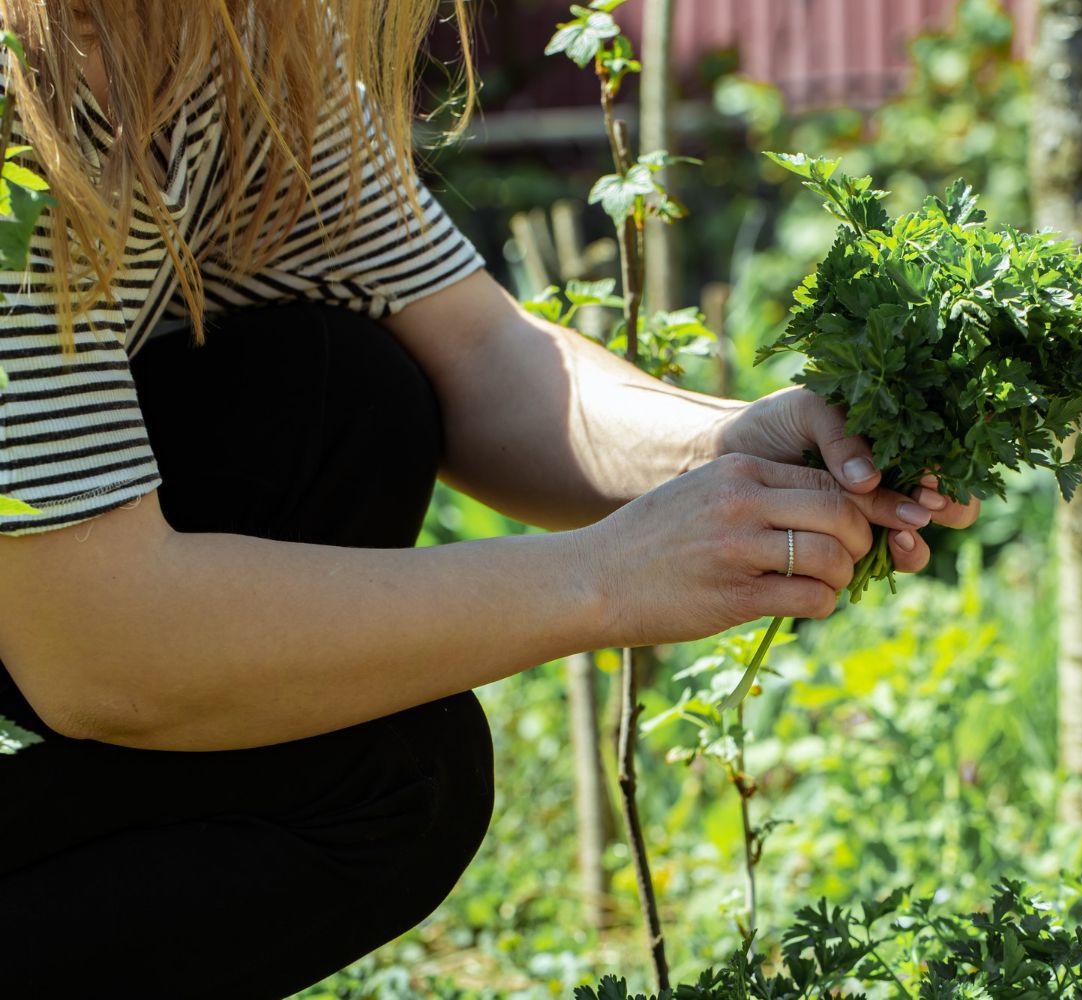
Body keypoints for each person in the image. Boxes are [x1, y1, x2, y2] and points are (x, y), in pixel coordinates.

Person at [0, 2, 980, 996]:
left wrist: (737, 450)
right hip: (79, 625)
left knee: (338, 401)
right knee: (397, 773)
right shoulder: (18, 90)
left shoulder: (244, 39)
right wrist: (605, 577)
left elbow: (479, 350)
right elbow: (99, 647)